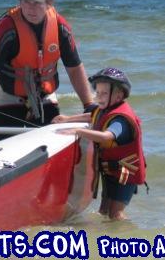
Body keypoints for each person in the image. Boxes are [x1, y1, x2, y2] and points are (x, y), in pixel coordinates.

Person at [0, 0, 95, 140]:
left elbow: (74, 69)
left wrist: (89, 105)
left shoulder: (60, 27)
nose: (31, 8)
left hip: (44, 97)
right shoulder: (6, 29)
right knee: (7, 153)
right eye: (26, 1)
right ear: (20, 2)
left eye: (37, 2)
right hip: (8, 96)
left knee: (50, 145)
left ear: (49, 3)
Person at [53, 67, 147, 220]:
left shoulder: (120, 120)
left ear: (118, 96)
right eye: (97, 92)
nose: (99, 97)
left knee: (115, 213)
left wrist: (79, 131)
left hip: (125, 173)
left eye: (104, 93)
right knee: (104, 210)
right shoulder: (104, 110)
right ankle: (105, 234)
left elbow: (105, 137)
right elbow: (92, 116)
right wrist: (67, 119)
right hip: (111, 171)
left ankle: (126, 236)